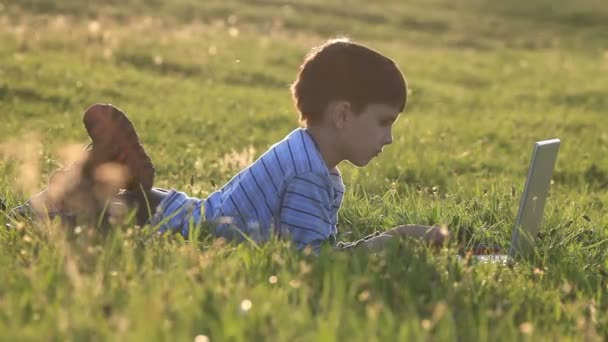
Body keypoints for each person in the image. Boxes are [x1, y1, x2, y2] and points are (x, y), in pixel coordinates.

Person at [9, 38, 448, 254]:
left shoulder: (305, 153)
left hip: (168, 209)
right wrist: (391, 240)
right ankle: (96, 169)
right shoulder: (310, 173)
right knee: (38, 222)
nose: (388, 138)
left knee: (60, 207)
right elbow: (314, 264)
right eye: (384, 122)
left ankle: (99, 166)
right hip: (164, 225)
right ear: (342, 114)